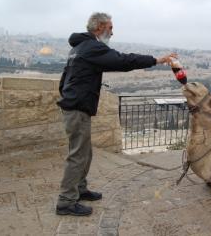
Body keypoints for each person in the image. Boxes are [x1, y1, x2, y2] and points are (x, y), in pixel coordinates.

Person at [55, 12, 177, 216]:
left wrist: (69, 96)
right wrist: (156, 60)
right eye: (110, 28)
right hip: (77, 106)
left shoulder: (77, 48)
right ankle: (66, 201)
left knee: (85, 152)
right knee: (78, 155)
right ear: (100, 27)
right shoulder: (92, 47)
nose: (112, 32)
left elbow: (64, 79)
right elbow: (123, 61)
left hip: (75, 104)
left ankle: (80, 189)